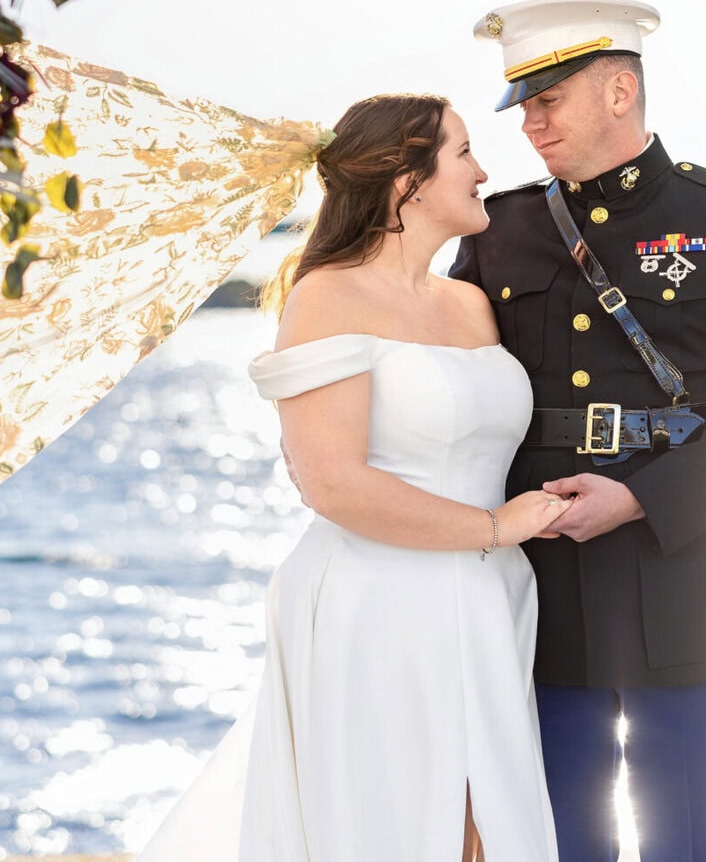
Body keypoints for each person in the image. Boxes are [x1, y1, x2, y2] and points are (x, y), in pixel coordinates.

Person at [135, 94, 569, 862]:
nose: (484, 171)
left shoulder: (470, 304)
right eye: (464, 152)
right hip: (379, 602)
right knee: (399, 822)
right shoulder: (327, 296)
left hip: (488, 597)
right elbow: (331, 482)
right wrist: (498, 529)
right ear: (407, 178)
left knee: (488, 829)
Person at [449, 0, 706, 862]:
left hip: (695, 584)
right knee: (550, 844)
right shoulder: (500, 231)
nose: (530, 124)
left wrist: (639, 498)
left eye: (548, 101)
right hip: (541, 594)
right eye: (522, 107)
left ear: (620, 90)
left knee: (705, 845)